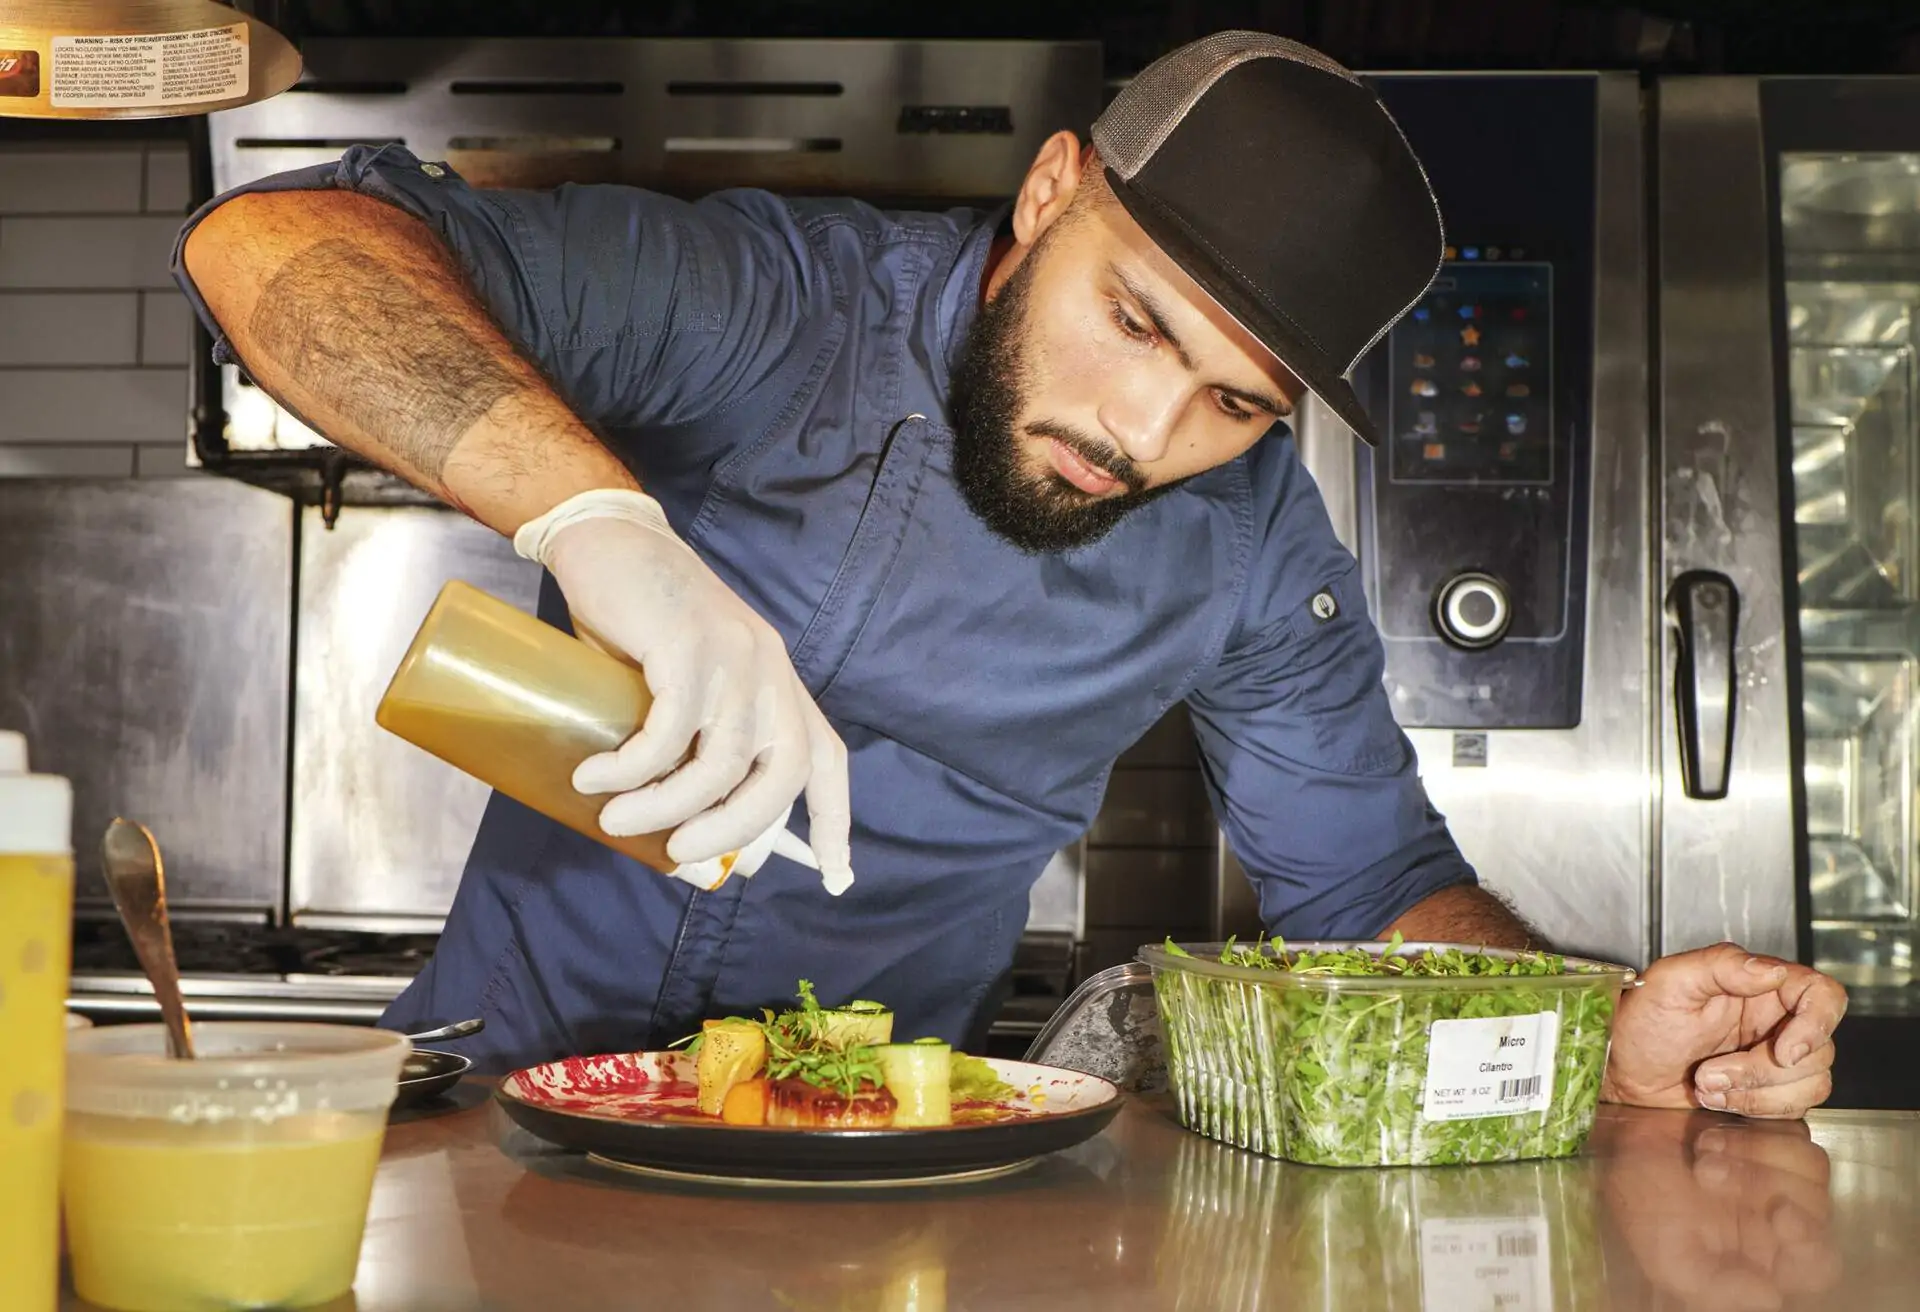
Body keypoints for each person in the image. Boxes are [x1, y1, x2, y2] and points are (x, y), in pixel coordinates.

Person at [175, 32, 1843, 1116]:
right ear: (1051, 195)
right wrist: (599, 524)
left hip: (874, 1160)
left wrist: (1599, 1028)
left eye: (1236, 403)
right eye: (1134, 321)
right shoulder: (784, 308)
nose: (1140, 429)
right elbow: (271, 242)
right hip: (485, 1103)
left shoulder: (1255, 546)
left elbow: (1367, 889)